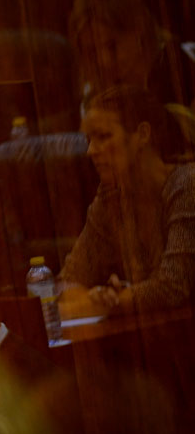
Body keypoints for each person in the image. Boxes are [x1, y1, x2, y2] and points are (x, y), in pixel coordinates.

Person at [59, 85, 195, 317]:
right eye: (89, 139)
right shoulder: (111, 196)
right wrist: (98, 297)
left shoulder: (187, 185)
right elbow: (67, 280)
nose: (91, 151)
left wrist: (113, 301)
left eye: (103, 136)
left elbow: (173, 287)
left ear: (142, 134)